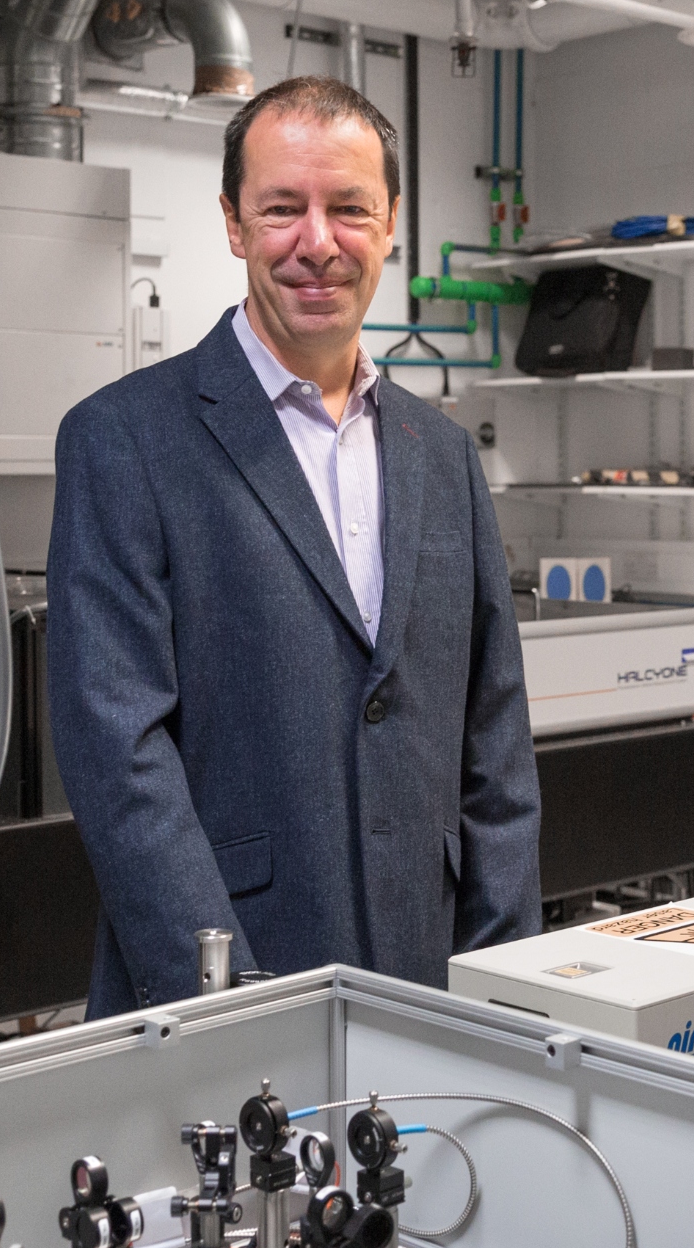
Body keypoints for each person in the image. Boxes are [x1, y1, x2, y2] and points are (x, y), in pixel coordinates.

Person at [47, 76, 540, 1019]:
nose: (318, 243)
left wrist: (502, 982)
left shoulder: (441, 453)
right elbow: (119, 755)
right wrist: (227, 1000)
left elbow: (496, 736)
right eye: (282, 209)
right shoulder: (125, 438)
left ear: (390, 224)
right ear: (234, 224)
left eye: (349, 207)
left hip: (430, 974)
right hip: (228, 987)